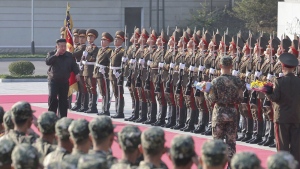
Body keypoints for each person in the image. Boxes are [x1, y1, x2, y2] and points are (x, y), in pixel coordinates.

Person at [203, 56, 243, 162]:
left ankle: (217, 164)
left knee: (217, 142)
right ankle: (231, 165)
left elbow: (212, 99)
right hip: (232, 112)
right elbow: (240, 99)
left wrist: (206, 92)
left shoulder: (215, 81)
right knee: (231, 142)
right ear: (231, 66)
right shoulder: (237, 81)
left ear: (220, 65)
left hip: (219, 112)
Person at [265, 53, 300, 164]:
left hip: (282, 118)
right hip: (296, 117)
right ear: (294, 68)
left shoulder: (279, 81)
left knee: (282, 147)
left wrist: (268, 91)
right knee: (296, 147)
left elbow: (275, 98)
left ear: (283, 67)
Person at [46, 38, 80, 118]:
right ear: (56, 47)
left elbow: (74, 65)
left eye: (65, 46)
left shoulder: (69, 55)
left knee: (63, 101)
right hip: (53, 81)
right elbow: (48, 62)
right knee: (53, 98)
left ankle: (63, 118)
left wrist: (77, 73)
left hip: (64, 81)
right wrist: (55, 56)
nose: (63, 48)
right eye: (61, 46)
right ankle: (51, 117)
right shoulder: (51, 53)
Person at [94, 32, 113, 116]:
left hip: (104, 74)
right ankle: (103, 108)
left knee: (105, 91)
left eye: (104, 40)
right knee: (102, 91)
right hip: (99, 73)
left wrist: (105, 69)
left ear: (108, 42)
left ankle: (106, 109)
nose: (102, 41)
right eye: (101, 40)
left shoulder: (109, 51)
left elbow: (110, 63)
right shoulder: (100, 50)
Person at [109, 30, 126, 118]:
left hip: (118, 74)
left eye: (118, 39)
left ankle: (120, 112)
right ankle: (116, 110)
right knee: (115, 93)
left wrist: (120, 73)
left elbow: (124, 65)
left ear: (122, 41)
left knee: (119, 93)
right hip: (112, 74)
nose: (116, 40)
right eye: (115, 38)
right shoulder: (113, 50)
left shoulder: (123, 51)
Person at [83, 29, 99, 114]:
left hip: (91, 70)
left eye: (91, 37)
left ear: (94, 38)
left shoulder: (95, 48)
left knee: (93, 88)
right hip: (86, 70)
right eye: (88, 36)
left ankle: (93, 107)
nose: (89, 38)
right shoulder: (87, 47)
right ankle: (89, 105)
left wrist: (88, 56)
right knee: (88, 88)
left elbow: (94, 58)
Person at [71, 29, 88, 112]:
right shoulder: (78, 46)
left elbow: (75, 54)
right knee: (79, 87)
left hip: (81, 68)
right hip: (78, 67)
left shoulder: (84, 47)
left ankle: (83, 105)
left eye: (82, 37)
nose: (80, 39)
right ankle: (78, 104)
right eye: (79, 37)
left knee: (82, 87)